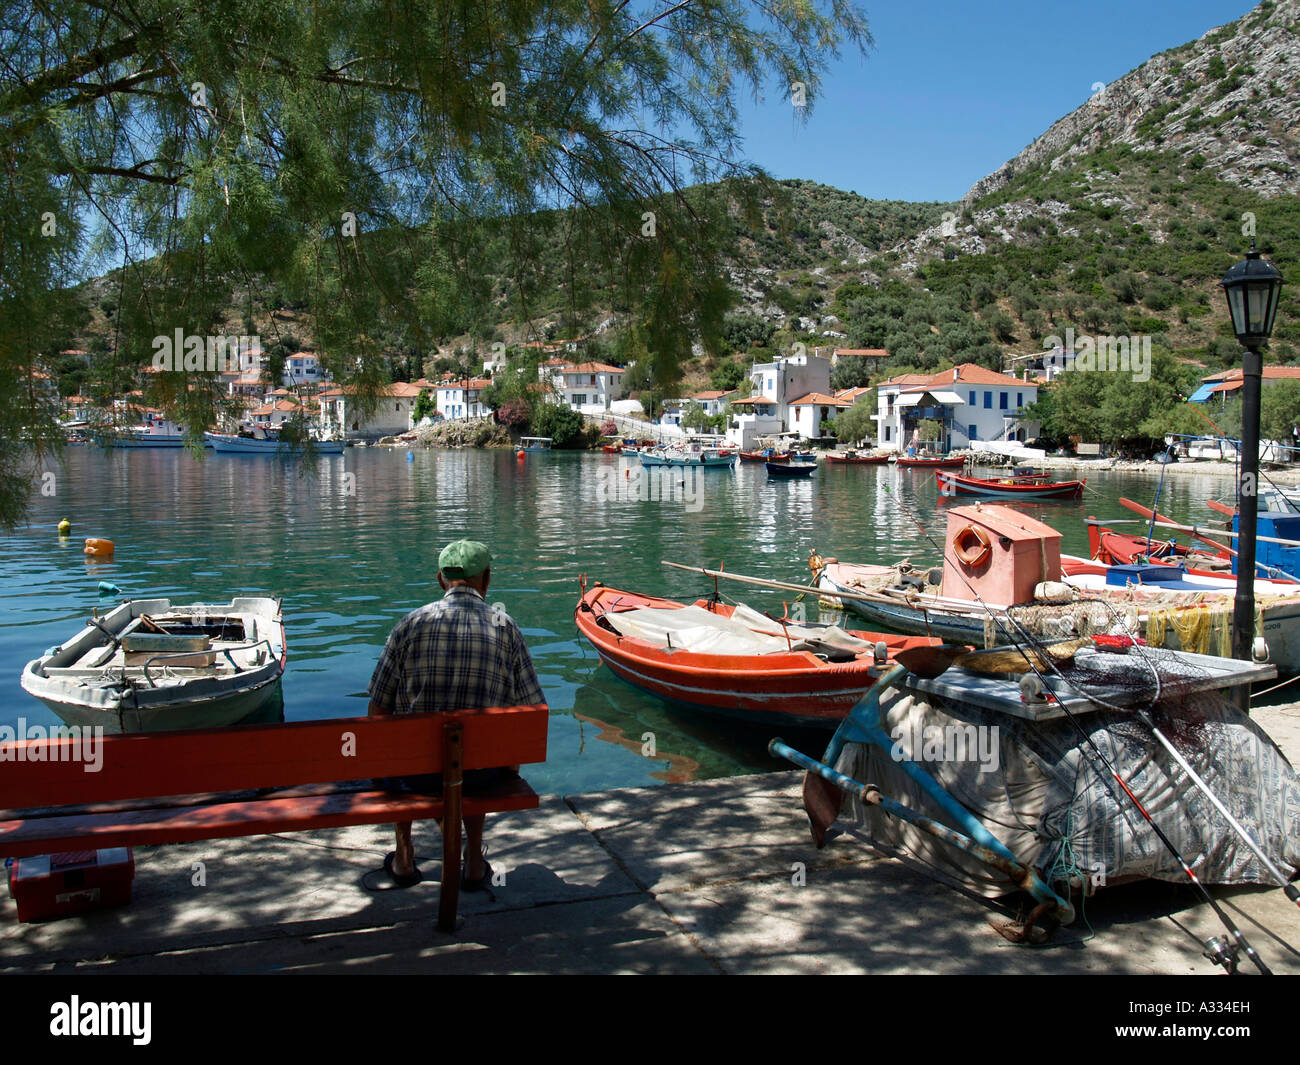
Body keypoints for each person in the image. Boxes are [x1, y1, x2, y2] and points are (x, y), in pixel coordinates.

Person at [366, 539, 544, 892]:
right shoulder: (506, 627)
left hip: (413, 776)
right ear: (487, 580)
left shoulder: (409, 624)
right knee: (477, 758)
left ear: (439, 580)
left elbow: (378, 709)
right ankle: (474, 861)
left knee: (394, 748)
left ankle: (403, 857)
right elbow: (532, 713)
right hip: (482, 776)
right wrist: (509, 766)